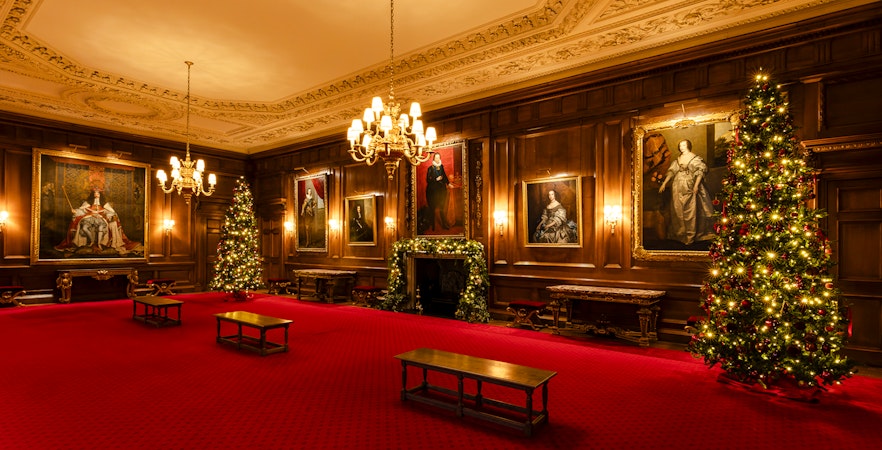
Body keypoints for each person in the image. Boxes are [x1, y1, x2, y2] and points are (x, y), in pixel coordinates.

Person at [658, 139, 716, 245]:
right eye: (680, 145)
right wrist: (664, 183)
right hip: (677, 187)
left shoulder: (694, 158)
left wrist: (696, 186)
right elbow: (671, 172)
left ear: (688, 145)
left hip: (691, 185)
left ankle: (691, 235)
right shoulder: (678, 159)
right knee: (678, 209)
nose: (681, 147)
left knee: (691, 209)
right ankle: (681, 234)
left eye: (683, 145)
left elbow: (700, 172)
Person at [54, 188, 139, 255]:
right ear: (93, 194)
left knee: (101, 227)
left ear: (100, 195)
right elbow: (82, 211)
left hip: (100, 218)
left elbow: (111, 212)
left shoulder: (104, 204)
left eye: (98, 193)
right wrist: (75, 211)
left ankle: (99, 244)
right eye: (95, 193)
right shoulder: (87, 203)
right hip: (89, 218)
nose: (96, 195)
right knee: (83, 226)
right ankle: (90, 243)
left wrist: (109, 215)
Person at [425, 153, 451, 230]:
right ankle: (433, 226)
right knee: (432, 208)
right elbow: (427, 180)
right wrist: (436, 179)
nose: (437, 159)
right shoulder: (430, 168)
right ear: (433, 159)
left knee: (442, 207)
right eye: (436, 158)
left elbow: (445, 176)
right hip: (432, 191)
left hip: (441, 190)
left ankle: (444, 224)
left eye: (438, 157)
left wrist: (448, 183)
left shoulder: (441, 167)